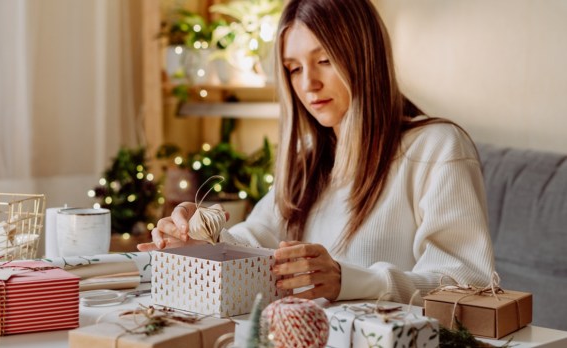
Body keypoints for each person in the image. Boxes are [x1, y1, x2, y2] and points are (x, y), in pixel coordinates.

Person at [138, 0, 494, 305]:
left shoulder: (437, 147)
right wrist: (198, 234)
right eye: (294, 69)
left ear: (364, 56)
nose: (308, 84)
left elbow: (469, 283)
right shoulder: (308, 157)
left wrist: (348, 281)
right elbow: (258, 236)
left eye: (324, 61)